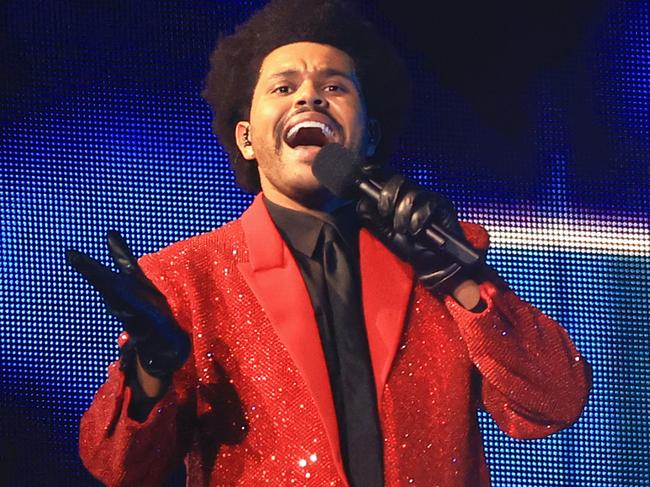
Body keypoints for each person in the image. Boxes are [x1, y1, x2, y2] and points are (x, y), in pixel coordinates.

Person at [68, 0, 592, 485]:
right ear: (248, 138)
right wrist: (152, 367)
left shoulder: (434, 261)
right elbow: (118, 468)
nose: (309, 95)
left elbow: (554, 401)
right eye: (282, 87)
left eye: (335, 86)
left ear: (367, 136)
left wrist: (460, 279)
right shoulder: (187, 278)